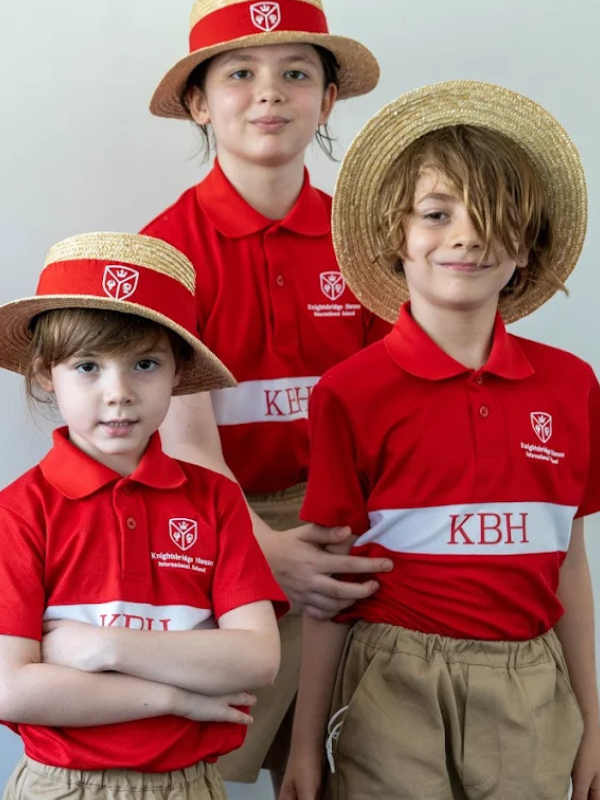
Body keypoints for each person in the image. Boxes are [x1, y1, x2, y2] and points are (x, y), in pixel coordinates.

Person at [281, 81, 600, 800]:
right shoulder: (350, 391)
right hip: (390, 683)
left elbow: (570, 569)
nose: (466, 235)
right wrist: (304, 746)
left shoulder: (572, 386)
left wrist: (593, 723)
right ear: (397, 235)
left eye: (494, 218)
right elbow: (332, 585)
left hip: (531, 687)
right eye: (436, 213)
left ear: (528, 242)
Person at [142, 0, 392, 788]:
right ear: (198, 101)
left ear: (328, 98)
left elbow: (392, 414)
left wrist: (340, 540)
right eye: (240, 73)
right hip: (216, 524)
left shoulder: (370, 240)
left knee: (362, 757)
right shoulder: (165, 251)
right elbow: (185, 441)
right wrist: (266, 553)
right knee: (205, 762)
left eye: (295, 74)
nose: (269, 93)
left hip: (354, 524)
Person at [0, 231, 288, 800]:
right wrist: (175, 698)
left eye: (145, 363)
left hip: (190, 785)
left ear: (179, 373)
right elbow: (11, 688)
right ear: (43, 374)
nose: (118, 392)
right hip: (61, 786)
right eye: (87, 366)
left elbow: (256, 658)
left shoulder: (216, 500)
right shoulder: (19, 511)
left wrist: (104, 648)